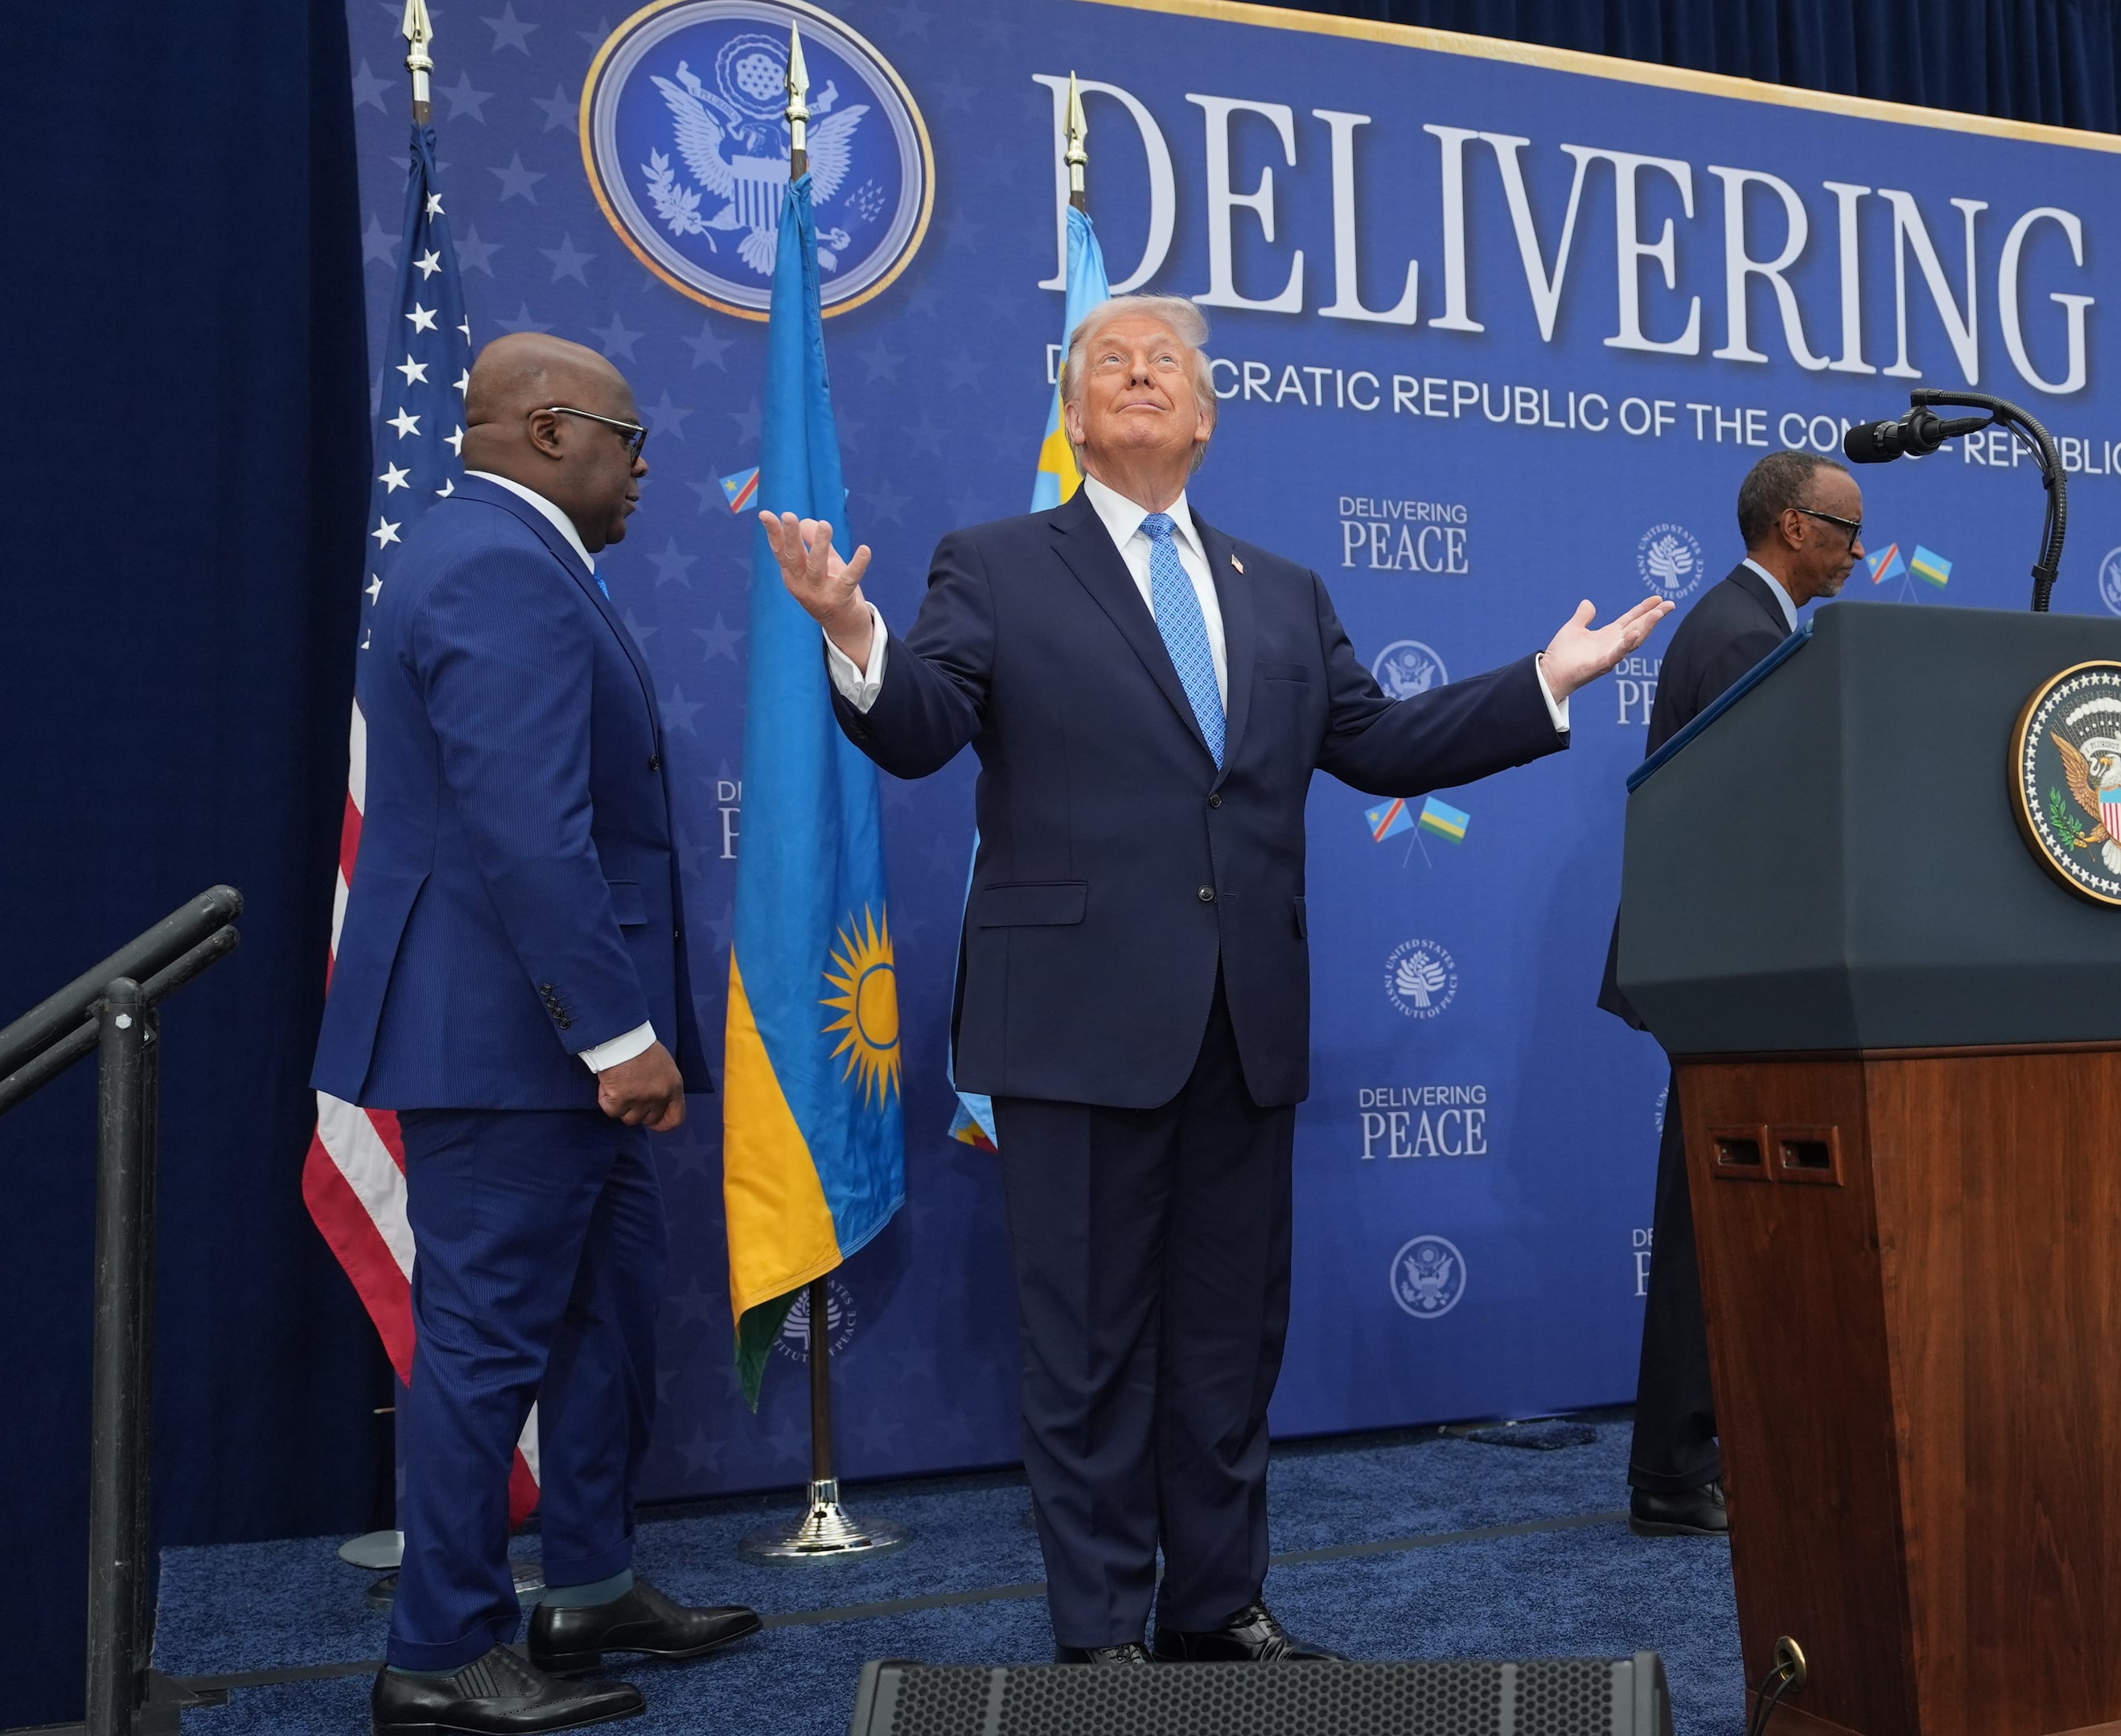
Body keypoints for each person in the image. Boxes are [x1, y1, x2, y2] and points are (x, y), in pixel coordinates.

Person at [761, 294, 1671, 1665]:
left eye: (1164, 363)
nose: (1136, 376)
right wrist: (850, 630)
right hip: (1072, 1028)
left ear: (1206, 415)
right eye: (1107, 363)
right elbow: (924, 724)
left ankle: (1214, 1605)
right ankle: (1101, 1639)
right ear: (1073, 415)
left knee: (1226, 1349)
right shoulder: (996, 563)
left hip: (1243, 1026)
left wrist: (1544, 680)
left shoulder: (1283, 591)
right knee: (1086, 1357)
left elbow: (1377, 745)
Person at [315, 333, 760, 1734]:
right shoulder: (499, 563)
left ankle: (587, 1584)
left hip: (542, 1045)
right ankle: (440, 1655)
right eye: (634, 444)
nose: (643, 473)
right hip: (515, 1042)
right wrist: (617, 1034)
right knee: (488, 1347)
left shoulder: (515, 557)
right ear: (551, 431)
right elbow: (527, 830)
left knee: (602, 1321)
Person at [1597, 450, 1865, 1537]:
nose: (1861, 548)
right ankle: (1674, 1468)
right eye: (1848, 528)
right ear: (1795, 528)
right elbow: (1763, 829)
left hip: (1728, 973)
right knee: (1710, 1227)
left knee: (1719, 1221)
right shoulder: (1745, 636)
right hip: (1731, 979)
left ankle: (1695, 1455)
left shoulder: (1740, 625)